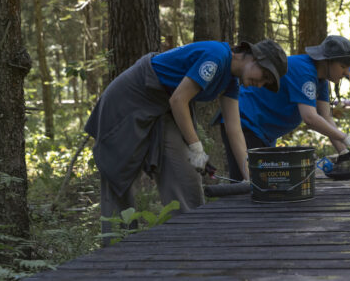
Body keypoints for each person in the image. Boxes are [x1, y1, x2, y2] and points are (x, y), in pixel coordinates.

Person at [85, 39, 287, 243]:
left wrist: (248, 175)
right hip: (130, 99)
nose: (261, 84)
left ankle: (190, 241)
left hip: (164, 107)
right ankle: (117, 248)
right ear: (253, 57)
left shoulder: (231, 82)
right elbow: (179, 100)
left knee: (185, 174)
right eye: (265, 76)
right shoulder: (216, 56)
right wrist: (196, 147)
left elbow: (234, 129)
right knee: (119, 176)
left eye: (266, 84)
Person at [220, 35, 350, 181]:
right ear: (326, 61)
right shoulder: (304, 70)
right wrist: (345, 138)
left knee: (265, 183)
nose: (347, 72)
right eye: (343, 66)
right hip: (245, 122)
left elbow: (326, 117)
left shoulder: (321, 80)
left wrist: (345, 153)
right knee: (250, 184)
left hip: (264, 133)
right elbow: (309, 117)